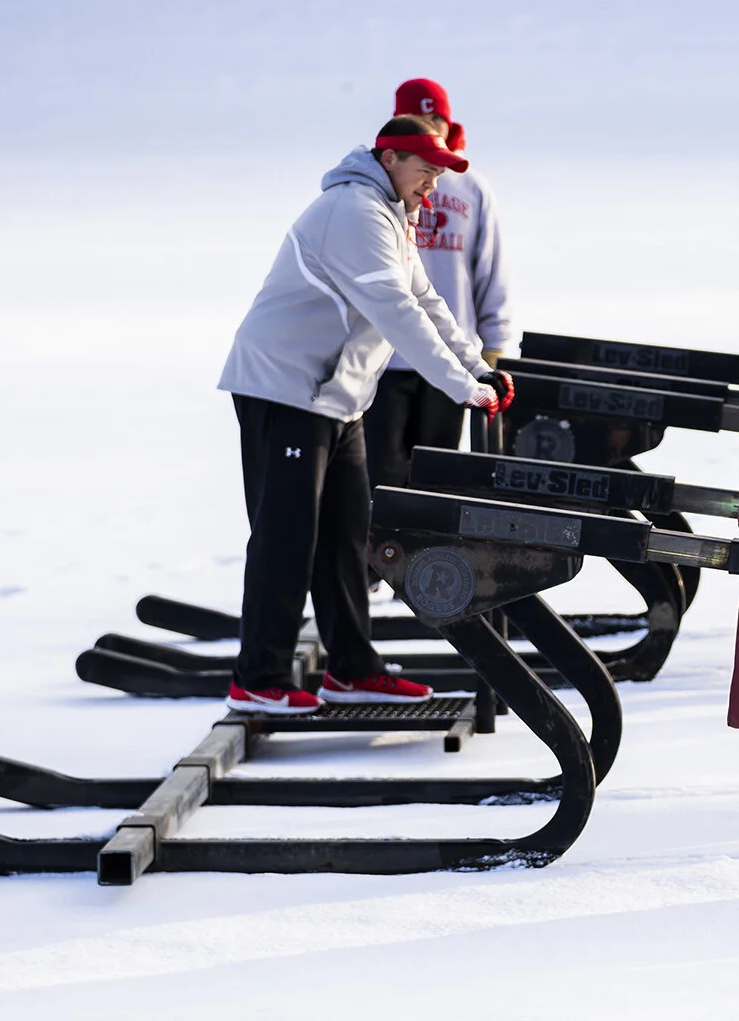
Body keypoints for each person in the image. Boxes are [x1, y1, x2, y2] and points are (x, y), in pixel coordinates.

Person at [216, 114, 515, 713]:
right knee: (287, 535)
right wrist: (461, 387)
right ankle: (258, 677)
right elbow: (396, 312)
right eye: (426, 171)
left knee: (347, 535)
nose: (433, 185)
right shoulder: (354, 212)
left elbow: (428, 301)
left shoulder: (392, 217)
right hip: (286, 389)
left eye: (439, 173)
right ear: (389, 159)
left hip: (337, 397)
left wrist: (477, 367)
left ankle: (351, 669)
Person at [364, 78, 518, 489]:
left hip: (451, 353)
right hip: (385, 358)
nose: (431, 126)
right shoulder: (385, 183)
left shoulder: (472, 188)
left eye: (438, 119)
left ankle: (432, 555)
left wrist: (494, 343)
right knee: (379, 474)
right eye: (420, 118)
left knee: (437, 475)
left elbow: (490, 269)